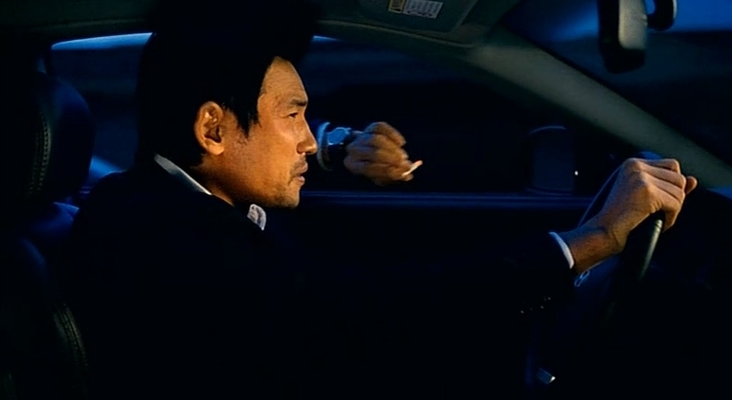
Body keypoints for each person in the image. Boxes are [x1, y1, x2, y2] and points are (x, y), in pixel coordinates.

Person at [61, 0, 698, 398]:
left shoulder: (169, 203)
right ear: (212, 129)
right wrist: (588, 244)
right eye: (294, 115)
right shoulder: (159, 241)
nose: (308, 139)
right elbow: (366, 308)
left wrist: (339, 149)